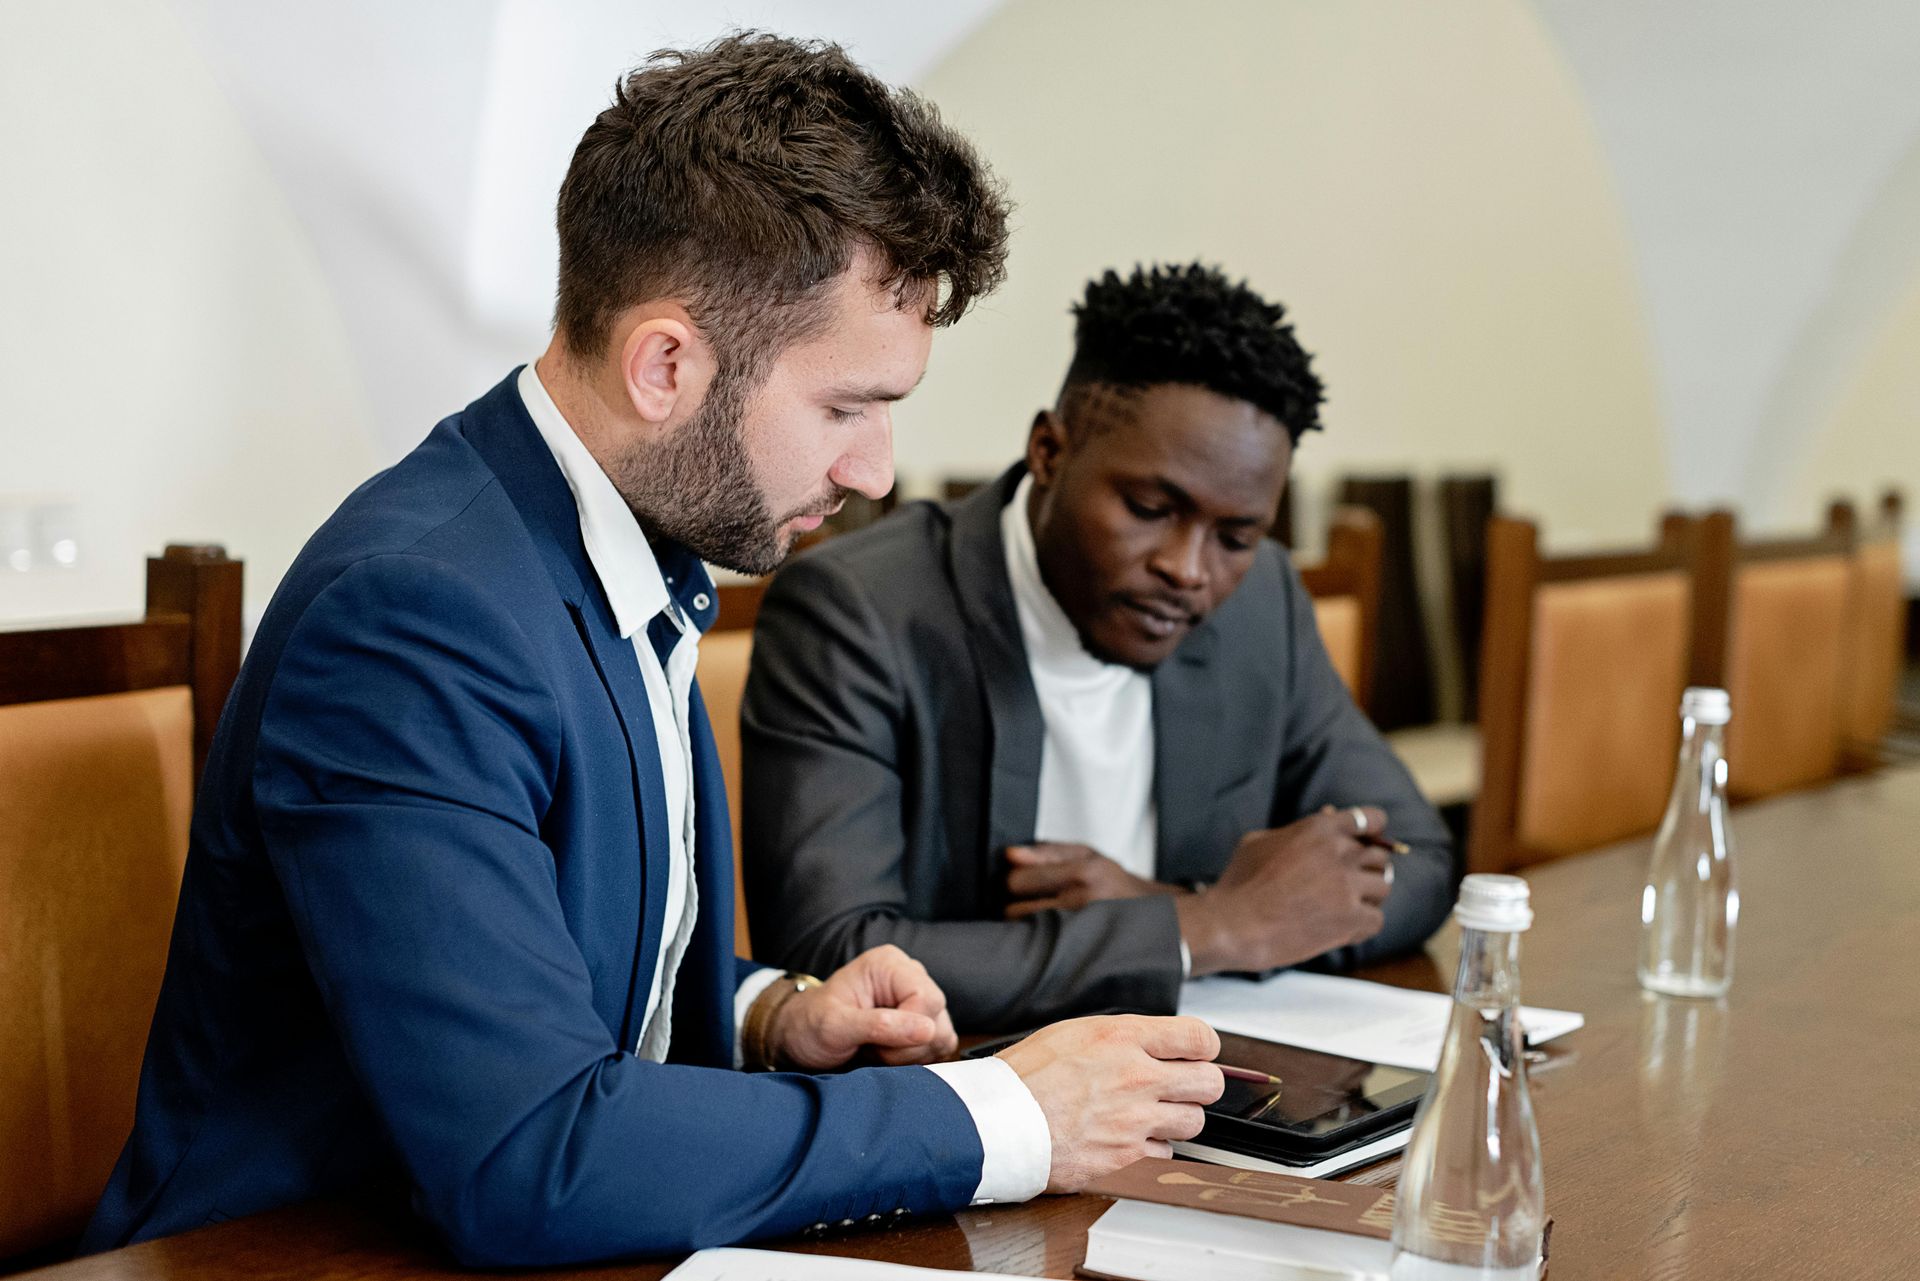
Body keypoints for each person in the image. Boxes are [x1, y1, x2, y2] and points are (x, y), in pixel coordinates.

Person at [82, 37, 1223, 1267]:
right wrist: (1008, 1114)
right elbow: (531, 1156)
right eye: (847, 407)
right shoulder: (413, 617)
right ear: (667, 363)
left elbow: (541, 957)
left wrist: (771, 1012)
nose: (874, 470)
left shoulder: (625, 546)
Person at [742, 263, 1454, 1033]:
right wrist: (1208, 928)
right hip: (973, 1099)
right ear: (1050, 450)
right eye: (1150, 508)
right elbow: (830, 953)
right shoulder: (858, 612)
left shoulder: (1261, 603)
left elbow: (1417, 858)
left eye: (1237, 536)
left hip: (1207, 1094)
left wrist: (1166, 908)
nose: (1188, 569)